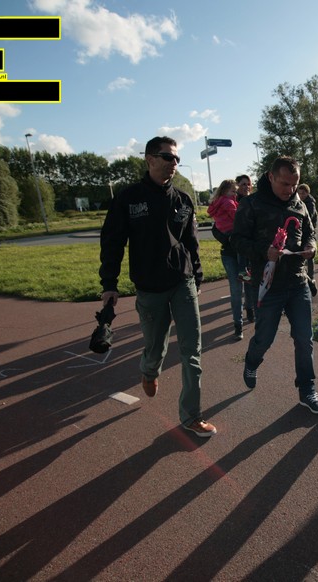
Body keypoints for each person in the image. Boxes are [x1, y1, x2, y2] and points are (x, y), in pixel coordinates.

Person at [99, 136, 215, 437]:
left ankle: (191, 416)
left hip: (182, 282)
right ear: (150, 159)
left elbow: (191, 243)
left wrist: (197, 276)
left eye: (176, 158)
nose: (173, 163)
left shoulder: (183, 200)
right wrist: (109, 283)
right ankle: (149, 371)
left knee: (192, 351)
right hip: (149, 287)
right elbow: (112, 242)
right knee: (155, 347)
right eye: (167, 157)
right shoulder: (128, 198)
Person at [231, 156, 318, 414]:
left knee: (304, 338)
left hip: (297, 281)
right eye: (285, 184)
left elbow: (310, 233)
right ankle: (252, 361)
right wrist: (264, 251)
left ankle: (307, 389)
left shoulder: (299, 203)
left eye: (294, 184)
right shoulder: (251, 204)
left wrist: (311, 247)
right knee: (265, 338)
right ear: (271, 177)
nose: (290, 190)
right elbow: (236, 240)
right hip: (267, 284)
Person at [208, 179, 247, 340]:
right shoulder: (229, 203)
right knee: (237, 289)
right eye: (234, 191)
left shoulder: (218, 203)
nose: (236, 193)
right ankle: (238, 324)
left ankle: (249, 314)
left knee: (241, 288)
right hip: (232, 248)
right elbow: (238, 218)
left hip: (232, 243)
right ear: (226, 191)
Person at [235, 174, 256, 321]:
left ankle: (250, 308)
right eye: (243, 184)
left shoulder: (255, 201)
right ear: (237, 186)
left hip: (253, 246)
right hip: (239, 247)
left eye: (248, 184)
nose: (246, 187)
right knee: (242, 282)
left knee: (251, 280)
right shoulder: (233, 201)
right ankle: (242, 314)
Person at [296, 183, 318, 296]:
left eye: (303, 193)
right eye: (299, 193)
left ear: (307, 193)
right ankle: (306, 278)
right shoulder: (298, 202)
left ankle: (311, 277)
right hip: (301, 234)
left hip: (309, 233)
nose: (301, 195)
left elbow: (309, 217)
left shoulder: (310, 204)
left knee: (309, 256)